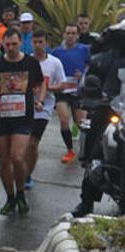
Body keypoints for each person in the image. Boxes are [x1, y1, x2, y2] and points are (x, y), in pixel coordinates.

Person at [0, 28, 45, 216]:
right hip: (1, 118)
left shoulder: (31, 63)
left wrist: (39, 99)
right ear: (2, 44)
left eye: (14, 44)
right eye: (7, 44)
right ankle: (10, 198)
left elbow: (40, 82)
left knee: (18, 157)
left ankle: (21, 193)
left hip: (23, 117)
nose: (11, 48)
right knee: (4, 161)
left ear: (21, 43)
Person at [25, 31, 65, 187]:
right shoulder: (26, 60)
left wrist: (47, 88)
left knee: (33, 142)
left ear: (46, 43)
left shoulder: (55, 63)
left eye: (40, 42)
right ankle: (23, 169)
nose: (37, 45)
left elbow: (62, 84)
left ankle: (28, 175)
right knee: (24, 143)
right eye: (35, 42)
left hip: (44, 108)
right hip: (25, 107)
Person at [53, 23, 92, 164]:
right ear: (64, 34)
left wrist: (84, 74)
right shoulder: (56, 52)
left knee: (82, 123)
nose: (70, 36)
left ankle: (88, 150)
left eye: (73, 33)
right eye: (68, 33)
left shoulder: (84, 49)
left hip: (78, 90)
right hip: (62, 91)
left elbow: (91, 65)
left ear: (78, 36)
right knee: (64, 119)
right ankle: (70, 150)